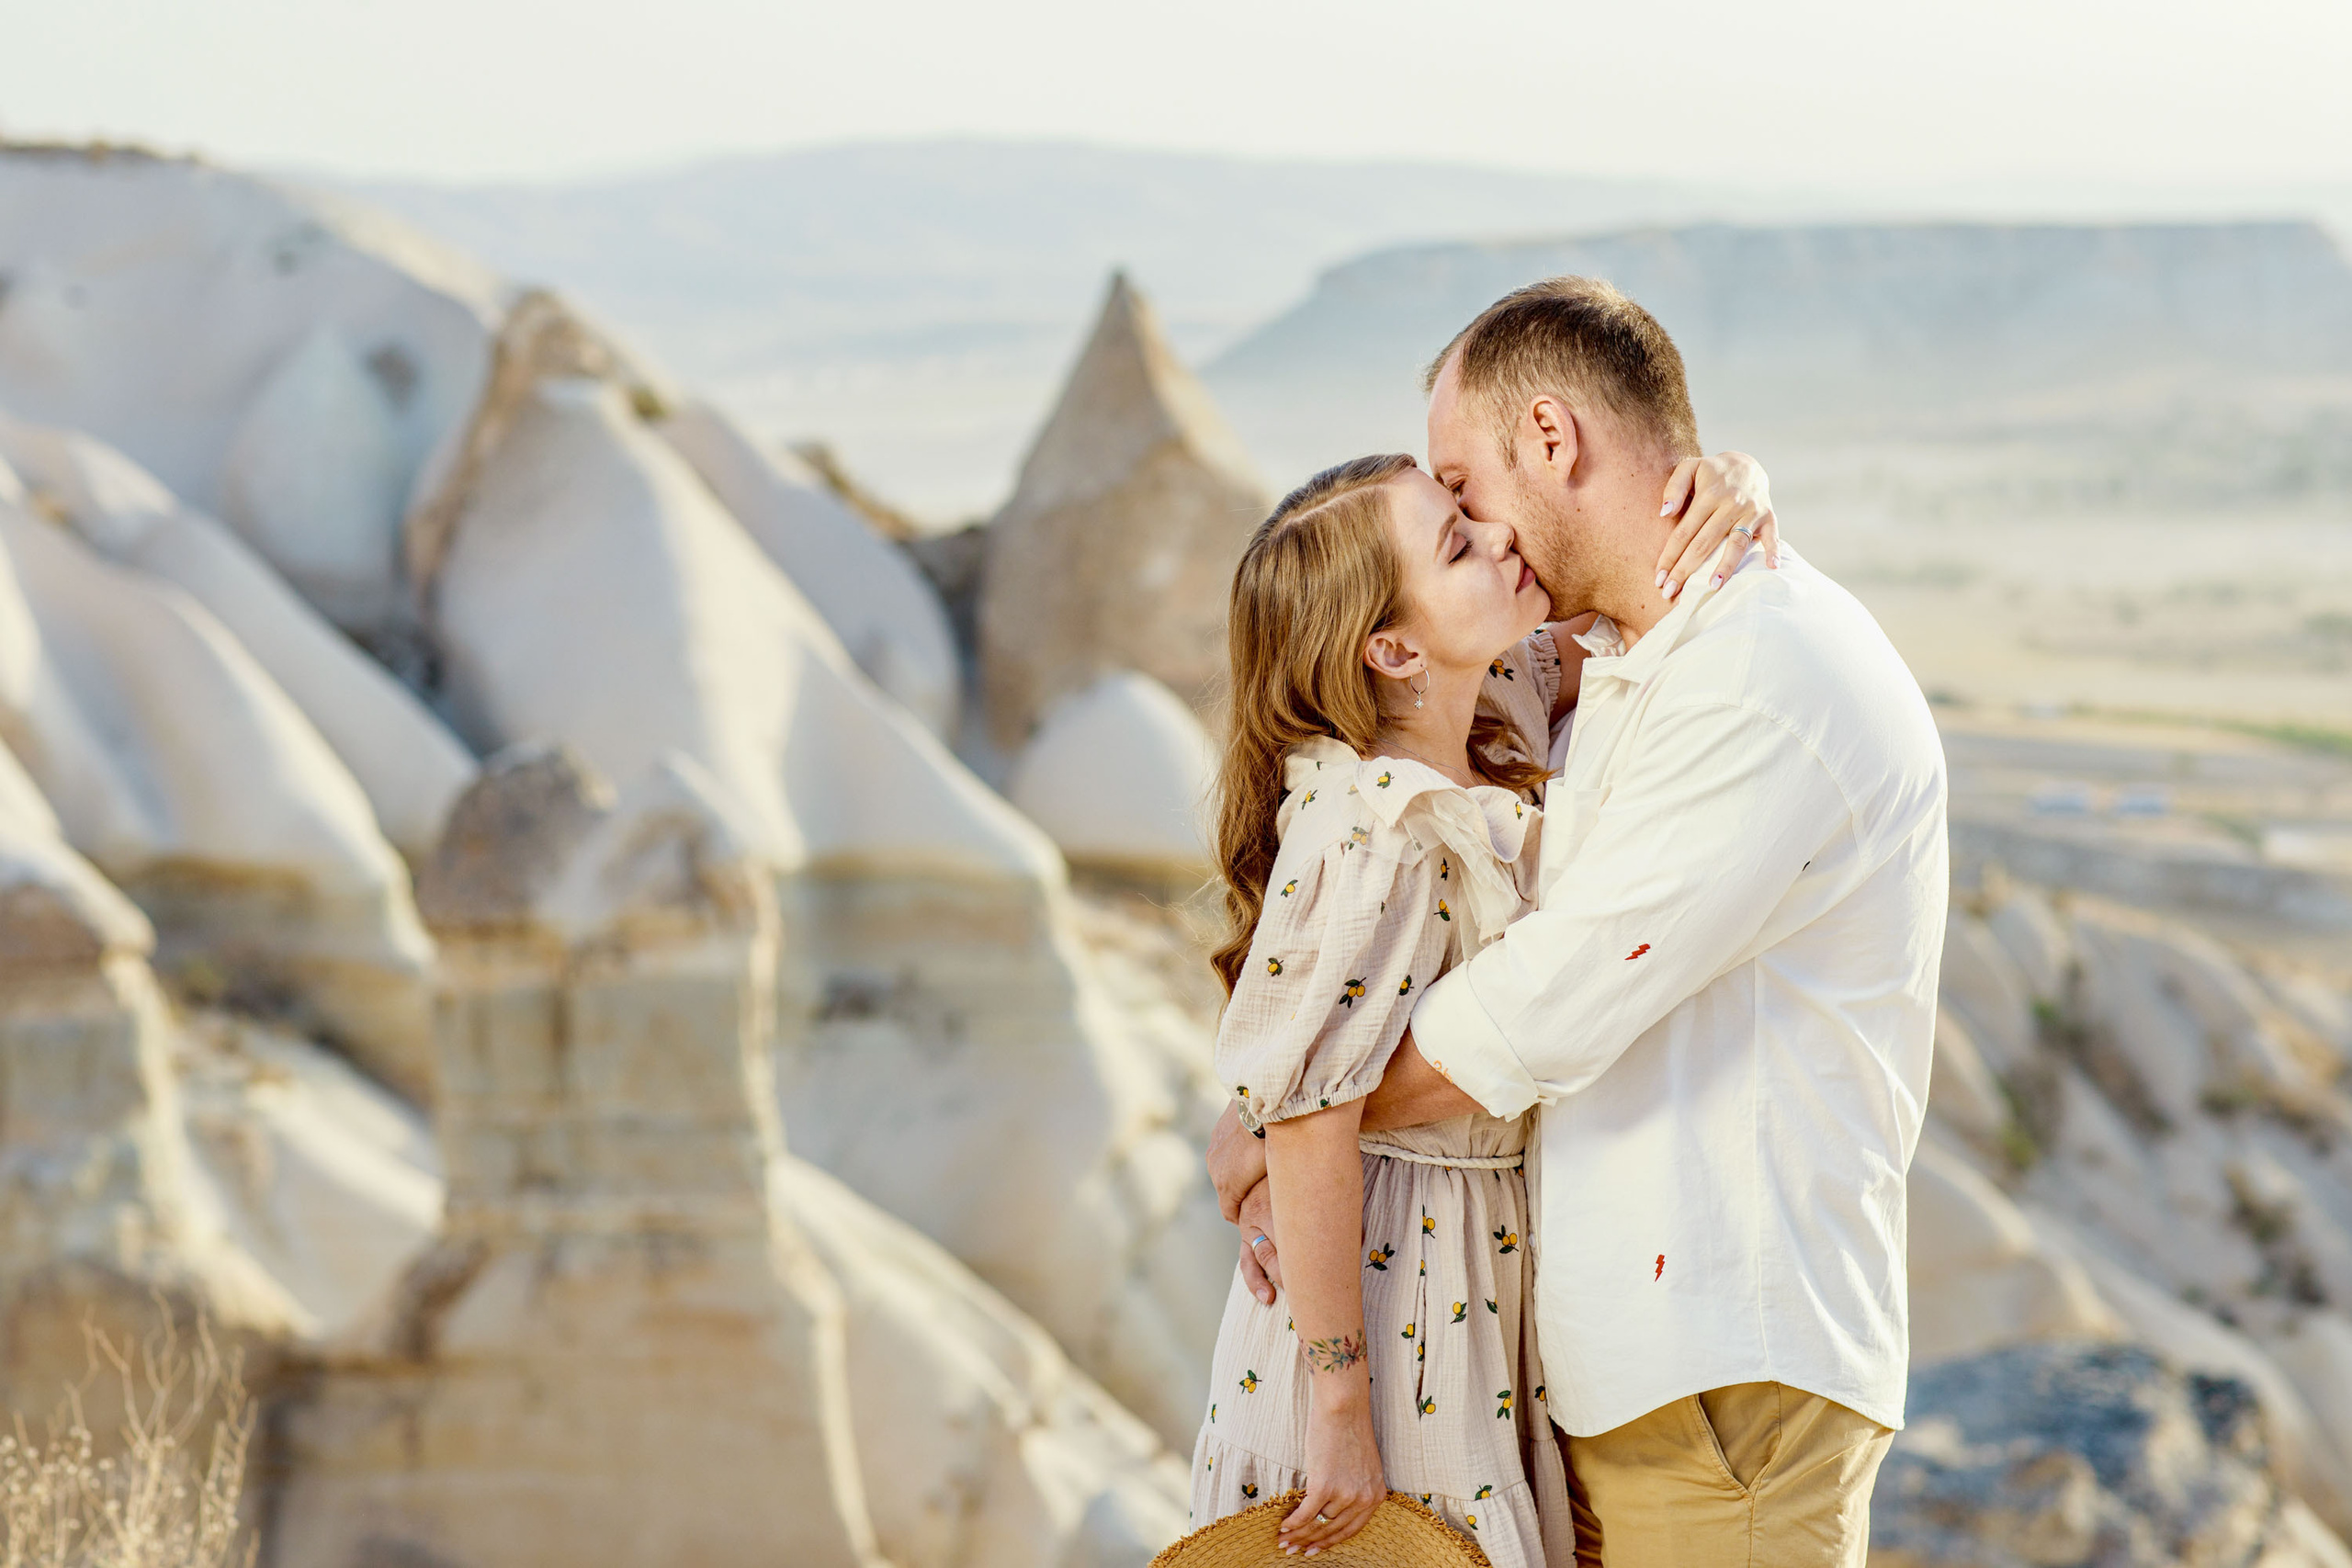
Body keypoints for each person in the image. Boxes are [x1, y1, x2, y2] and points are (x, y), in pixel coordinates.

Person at [1214, 276, 1948, 1568]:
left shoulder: (1754, 676)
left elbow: (1529, 1014)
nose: (1478, 529)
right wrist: (1278, 1107)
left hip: (1725, 1381)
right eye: (1450, 524)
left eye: (1463, 485)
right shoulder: (1612, 655)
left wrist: (1277, 1118)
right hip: (1598, 1380)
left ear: (1551, 438)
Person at [1189, 442, 1775, 1564]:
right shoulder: (1371, 829)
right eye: (1457, 544)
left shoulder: (1490, 707)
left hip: (1481, 1263)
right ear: (1393, 648)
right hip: (1389, 1285)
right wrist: (1340, 1412)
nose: (1500, 537)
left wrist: (1734, 481)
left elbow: (1641, 591)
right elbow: (1306, 1119)